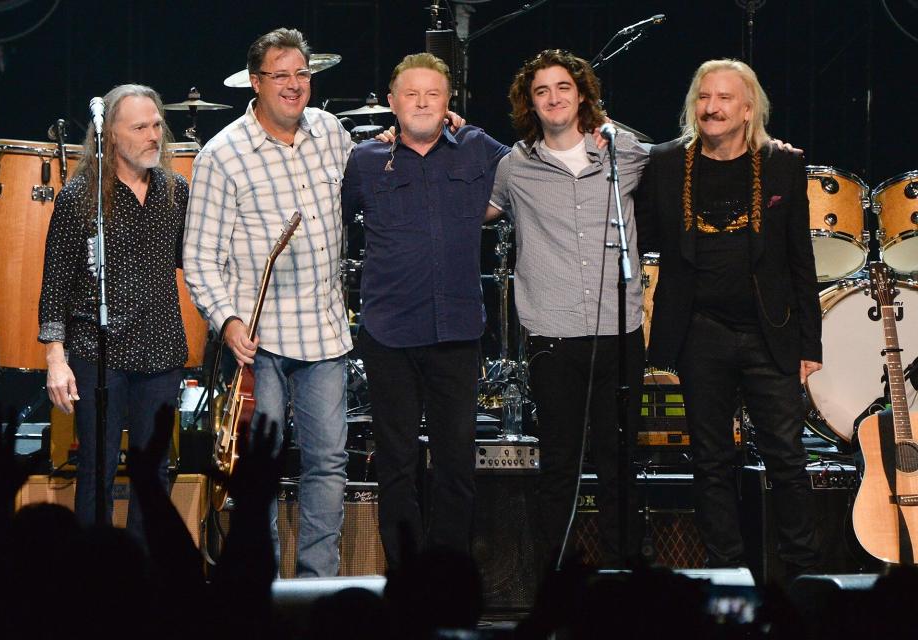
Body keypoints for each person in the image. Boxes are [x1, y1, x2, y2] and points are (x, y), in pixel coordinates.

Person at [635, 59, 822, 579]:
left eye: (723, 99)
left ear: (746, 109)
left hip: (770, 332)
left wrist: (811, 344)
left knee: (786, 456)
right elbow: (643, 236)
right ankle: (727, 571)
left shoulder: (782, 164)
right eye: (703, 97)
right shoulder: (667, 163)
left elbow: (798, 258)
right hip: (700, 331)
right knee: (712, 460)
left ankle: (802, 573)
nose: (711, 108)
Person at [183, 27, 352, 577]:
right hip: (261, 343)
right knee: (260, 468)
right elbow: (201, 256)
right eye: (281, 75)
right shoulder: (223, 155)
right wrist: (227, 320)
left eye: (302, 74)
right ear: (255, 83)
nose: (295, 85)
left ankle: (316, 584)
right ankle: (260, 586)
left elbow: (377, 174)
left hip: (325, 332)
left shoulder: (330, 131)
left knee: (327, 464)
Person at [341, 53, 510, 568]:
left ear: (448, 101)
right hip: (389, 332)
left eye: (432, 94)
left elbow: (532, 168)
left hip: (457, 331)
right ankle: (407, 575)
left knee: (456, 464)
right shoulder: (366, 159)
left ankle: (448, 577)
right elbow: (335, 226)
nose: (421, 103)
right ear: (391, 103)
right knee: (396, 463)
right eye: (410, 94)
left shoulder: (480, 149)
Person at [486, 50, 648, 567]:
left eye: (563, 88)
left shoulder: (626, 155)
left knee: (619, 462)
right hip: (552, 333)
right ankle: (551, 583)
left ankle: (622, 576)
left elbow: (698, 150)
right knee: (558, 465)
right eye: (542, 91)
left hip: (619, 331)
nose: (554, 98)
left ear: (581, 95)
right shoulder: (514, 166)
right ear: (529, 103)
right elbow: (476, 212)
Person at [39, 84, 189, 538]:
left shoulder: (175, 191)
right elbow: (55, 285)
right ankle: (94, 581)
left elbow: (198, 259)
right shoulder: (80, 197)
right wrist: (55, 358)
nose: (153, 136)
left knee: (153, 474)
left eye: (157, 125)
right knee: (97, 471)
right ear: (110, 138)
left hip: (161, 349)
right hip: (97, 351)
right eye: (140, 127)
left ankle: (146, 585)